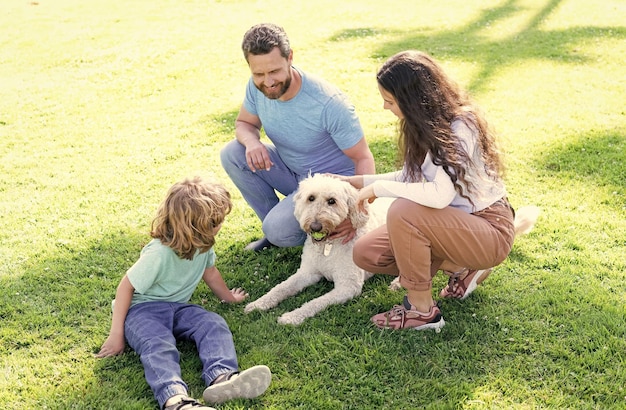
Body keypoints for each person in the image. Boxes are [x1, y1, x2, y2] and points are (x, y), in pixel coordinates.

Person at [341, 50, 516, 331]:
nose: (386, 108)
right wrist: (358, 182)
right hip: (452, 224)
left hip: (489, 227)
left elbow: (439, 195)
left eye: (390, 101)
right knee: (367, 254)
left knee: (404, 212)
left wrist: (379, 189)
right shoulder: (424, 126)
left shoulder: (462, 125)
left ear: (412, 101)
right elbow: (412, 177)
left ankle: (423, 312)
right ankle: (462, 266)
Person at [96, 176, 272, 410]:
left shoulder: (203, 243)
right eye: (215, 222)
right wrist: (116, 334)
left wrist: (227, 296)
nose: (220, 226)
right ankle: (175, 400)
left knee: (213, 323)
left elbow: (210, 273)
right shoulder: (158, 254)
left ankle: (223, 377)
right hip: (142, 311)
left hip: (178, 307)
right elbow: (125, 287)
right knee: (159, 345)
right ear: (193, 226)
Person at [220, 23, 375, 252]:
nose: (268, 82)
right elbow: (244, 124)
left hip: (330, 187)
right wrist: (252, 142)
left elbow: (363, 158)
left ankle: (302, 227)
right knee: (233, 153)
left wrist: (360, 214)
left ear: (290, 57)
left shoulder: (328, 103)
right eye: (259, 74)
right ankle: (272, 226)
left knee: (280, 230)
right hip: (294, 173)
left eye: (274, 72)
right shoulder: (256, 87)